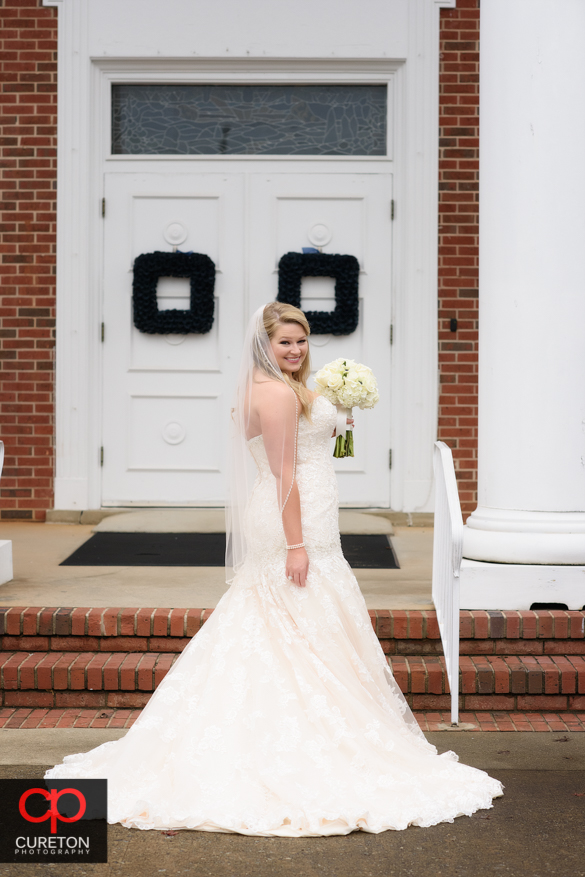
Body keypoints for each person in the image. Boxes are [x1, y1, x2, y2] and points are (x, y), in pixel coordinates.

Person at [45, 302, 503, 835]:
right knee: (298, 611)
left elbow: (290, 449)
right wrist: (295, 544)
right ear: (264, 344)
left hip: (303, 509)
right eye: (285, 342)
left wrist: (336, 416)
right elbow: (285, 472)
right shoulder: (279, 394)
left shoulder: (279, 390)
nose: (295, 350)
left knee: (281, 618)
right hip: (295, 516)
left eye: (302, 342)